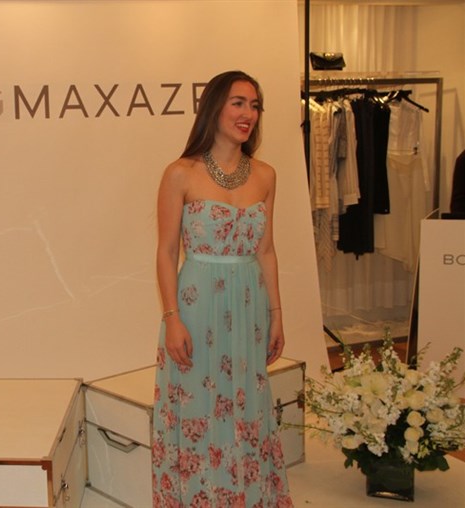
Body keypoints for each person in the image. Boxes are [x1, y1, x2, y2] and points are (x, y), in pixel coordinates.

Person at [152, 70, 293, 507]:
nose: (248, 113)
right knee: (197, 403)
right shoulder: (180, 173)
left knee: (248, 404)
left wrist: (277, 315)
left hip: (249, 304)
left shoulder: (266, 175)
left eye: (255, 105)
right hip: (197, 305)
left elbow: (266, 250)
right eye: (238, 102)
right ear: (214, 107)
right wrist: (172, 318)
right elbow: (166, 252)